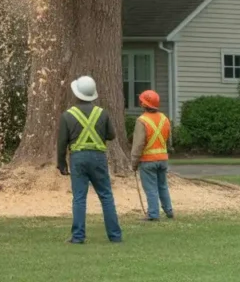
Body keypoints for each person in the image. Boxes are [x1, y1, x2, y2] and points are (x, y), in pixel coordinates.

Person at [57, 75, 123, 245]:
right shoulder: (102, 113)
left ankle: (78, 236)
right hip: (98, 157)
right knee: (106, 196)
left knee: (79, 197)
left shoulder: (67, 115)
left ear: (76, 93)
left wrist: (61, 163)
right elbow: (111, 135)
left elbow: (62, 142)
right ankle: (115, 236)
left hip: (78, 157)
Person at [131, 89, 174, 222]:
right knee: (163, 186)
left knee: (151, 188)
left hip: (148, 161)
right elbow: (169, 140)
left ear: (144, 105)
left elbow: (138, 144)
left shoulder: (142, 120)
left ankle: (153, 214)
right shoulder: (164, 119)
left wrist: (134, 162)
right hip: (162, 158)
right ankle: (169, 210)